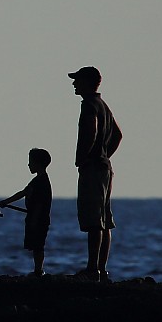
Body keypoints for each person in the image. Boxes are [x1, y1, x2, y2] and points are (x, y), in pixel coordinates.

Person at [70, 66, 122, 278]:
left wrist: (83, 157)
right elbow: (117, 135)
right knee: (104, 220)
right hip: (104, 167)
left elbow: (91, 130)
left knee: (93, 220)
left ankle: (93, 269)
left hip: (93, 168)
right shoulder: (103, 105)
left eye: (77, 80)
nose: (74, 84)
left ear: (88, 82)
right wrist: (105, 155)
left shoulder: (90, 105)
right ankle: (101, 268)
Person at [0, 148, 53, 276]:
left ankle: (38, 271)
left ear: (38, 163)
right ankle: (38, 270)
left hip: (37, 219)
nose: (28, 165)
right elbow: (24, 193)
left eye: (30, 162)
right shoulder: (41, 180)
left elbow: (25, 194)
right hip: (38, 218)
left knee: (38, 246)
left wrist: (5, 202)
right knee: (37, 245)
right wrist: (5, 202)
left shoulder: (40, 182)